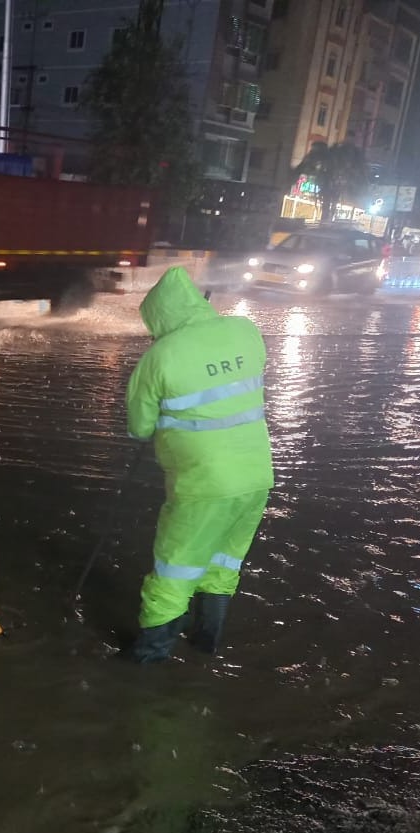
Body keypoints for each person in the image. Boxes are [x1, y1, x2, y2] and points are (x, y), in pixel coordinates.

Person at [124, 267, 274, 662]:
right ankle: (206, 645)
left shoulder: (159, 357)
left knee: (173, 573)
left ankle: (149, 660)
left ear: (158, 317)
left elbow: (139, 428)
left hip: (202, 485)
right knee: (222, 565)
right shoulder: (246, 331)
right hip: (257, 477)